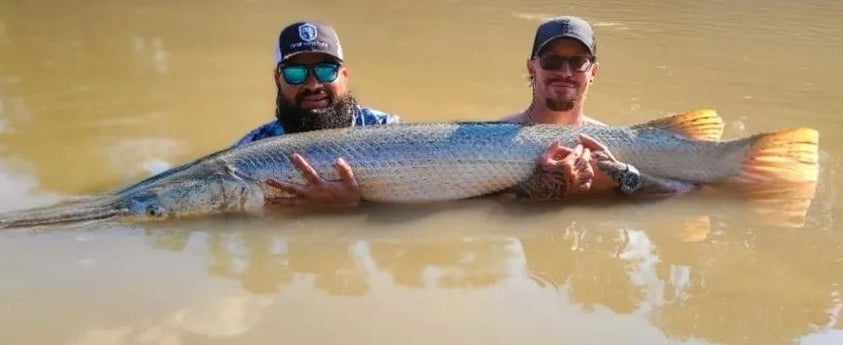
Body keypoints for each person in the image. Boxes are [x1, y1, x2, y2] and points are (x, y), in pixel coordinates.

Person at [231, 21, 401, 209]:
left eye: (325, 71)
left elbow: (414, 211)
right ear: (277, 80)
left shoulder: (386, 130)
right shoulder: (250, 149)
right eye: (296, 73)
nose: (313, 85)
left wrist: (354, 205)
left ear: (344, 76)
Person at [501, 15, 643, 200]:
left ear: (593, 72)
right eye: (552, 60)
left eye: (578, 62)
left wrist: (622, 176)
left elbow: (677, 193)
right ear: (531, 68)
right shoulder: (493, 138)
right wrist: (530, 191)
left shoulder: (613, 145)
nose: (565, 73)